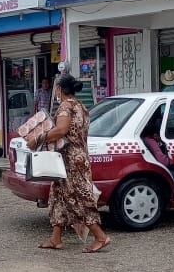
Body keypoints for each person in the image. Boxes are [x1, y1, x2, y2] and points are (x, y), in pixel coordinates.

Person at [23, 74, 111, 253]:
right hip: (77, 157)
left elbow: (61, 130)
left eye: (56, 88)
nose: (55, 91)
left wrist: (37, 138)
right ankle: (56, 238)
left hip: (71, 160)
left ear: (60, 89)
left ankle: (100, 236)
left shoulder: (65, 106)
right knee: (58, 197)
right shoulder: (81, 106)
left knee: (78, 197)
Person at [141, 116, 174, 196]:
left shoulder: (146, 139)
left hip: (156, 171)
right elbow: (163, 162)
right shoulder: (151, 142)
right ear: (155, 134)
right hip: (162, 172)